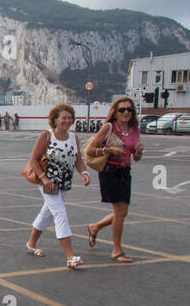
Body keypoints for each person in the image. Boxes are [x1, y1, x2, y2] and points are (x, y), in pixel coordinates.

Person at [26, 102, 91, 269]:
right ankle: (70, 256)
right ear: (55, 119)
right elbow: (33, 160)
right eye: (64, 117)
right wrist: (45, 180)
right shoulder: (47, 136)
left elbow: (77, 160)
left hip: (63, 183)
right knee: (59, 212)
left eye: (70, 118)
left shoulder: (73, 138)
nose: (68, 120)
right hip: (48, 183)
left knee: (47, 212)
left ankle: (31, 244)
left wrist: (84, 173)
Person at [86, 97, 145, 263]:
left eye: (129, 109)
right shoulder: (109, 127)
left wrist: (139, 152)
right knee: (120, 212)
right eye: (122, 110)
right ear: (115, 112)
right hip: (110, 171)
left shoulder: (135, 129)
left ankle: (95, 227)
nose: (126, 112)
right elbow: (90, 150)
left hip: (125, 170)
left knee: (122, 212)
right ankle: (117, 251)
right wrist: (109, 149)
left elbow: (135, 157)